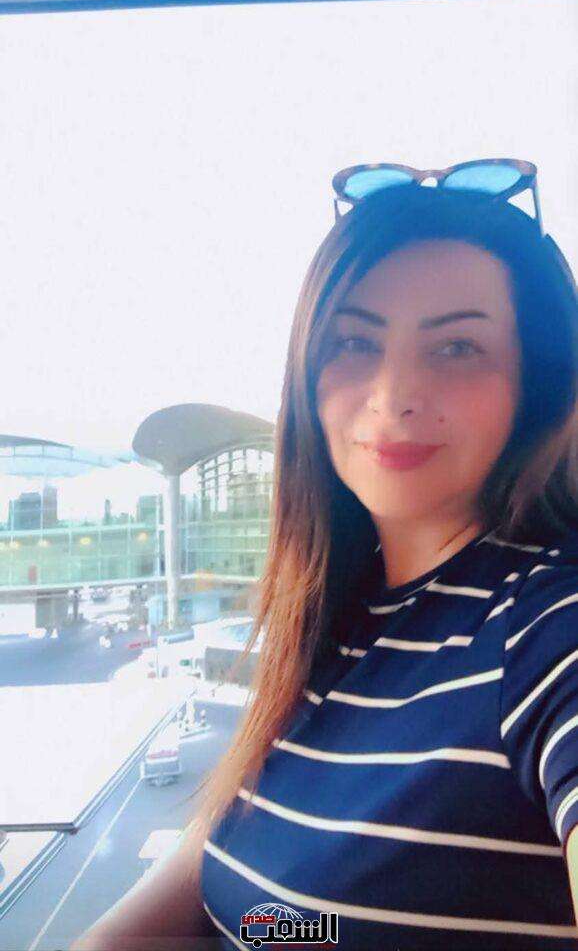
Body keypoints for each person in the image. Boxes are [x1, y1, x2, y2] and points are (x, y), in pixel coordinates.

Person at [71, 166, 578, 950]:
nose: (394, 393)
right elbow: (241, 904)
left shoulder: (546, 628)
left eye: (457, 346)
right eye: (354, 342)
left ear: (535, 386)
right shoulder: (334, 630)